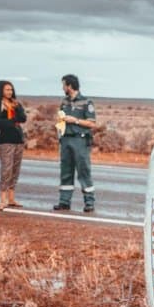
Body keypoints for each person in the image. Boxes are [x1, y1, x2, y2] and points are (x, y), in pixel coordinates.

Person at [54, 73, 96, 213]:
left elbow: (92, 123)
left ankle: (89, 202)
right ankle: (64, 202)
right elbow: (61, 119)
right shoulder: (64, 102)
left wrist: (76, 121)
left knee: (83, 171)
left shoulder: (86, 102)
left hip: (80, 140)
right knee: (65, 171)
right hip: (66, 140)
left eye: (64, 85)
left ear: (69, 86)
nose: (62, 88)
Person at [0, 80, 27, 210]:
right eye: (7, 90)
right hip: (4, 140)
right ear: (1, 91)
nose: (9, 92)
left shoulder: (16, 104)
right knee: (6, 169)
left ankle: (11, 198)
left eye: (11, 89)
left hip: (18, 140)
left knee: (15, 170)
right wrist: (12, 120)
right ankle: (2, 199)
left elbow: (23, 118)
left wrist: (15, 112)